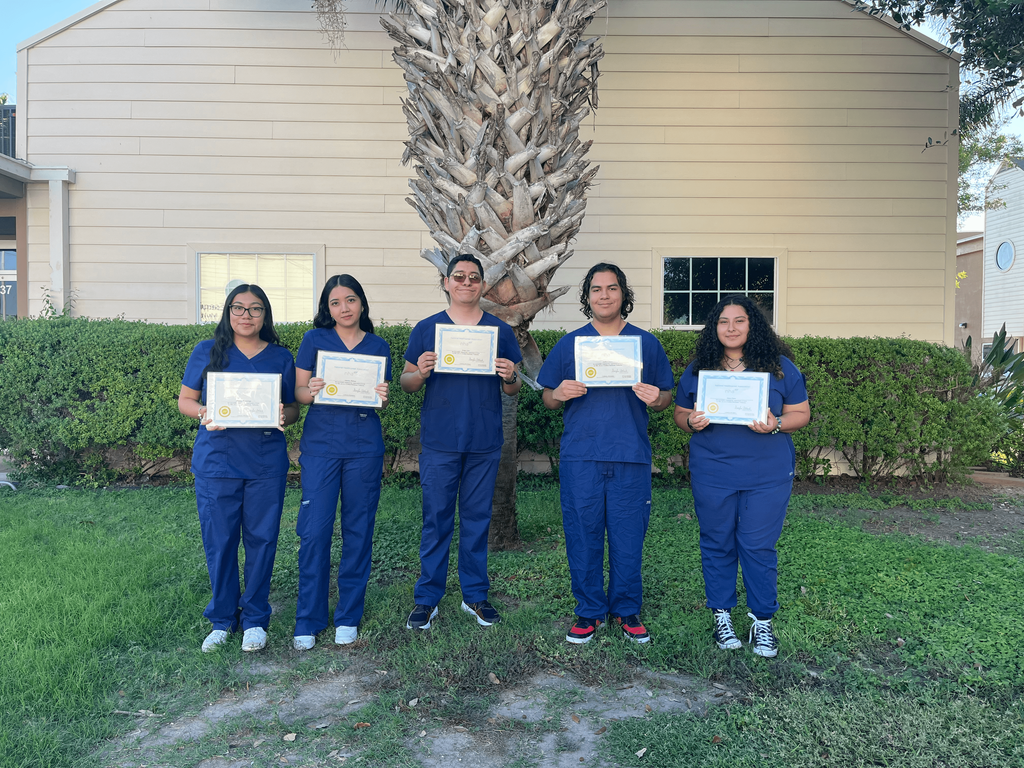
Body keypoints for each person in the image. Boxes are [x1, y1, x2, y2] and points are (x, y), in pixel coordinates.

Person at [537, 263, 674, 645]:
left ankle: (626, 609)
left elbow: (665, 397)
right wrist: (558, 393)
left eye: (612, 288)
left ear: (623, 295)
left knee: (629, 535)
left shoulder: (645, 344)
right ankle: (588, 611)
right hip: (583, 454)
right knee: (583, 533)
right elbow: (547, 396)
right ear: (588, 297)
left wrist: (656, 398)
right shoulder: (571, 345)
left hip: (629, 454)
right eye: (596, 289)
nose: (604, 295)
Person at [674, 294, 810, 658]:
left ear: (753, 325)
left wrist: (776, 423)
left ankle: (762, 621)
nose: (731, 328)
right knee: (717, 542)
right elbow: (681, 412)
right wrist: (690, 421)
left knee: (757, 546)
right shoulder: (700, 367)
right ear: (714, 328)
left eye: (739, 321)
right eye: (723, 321)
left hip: (767, 474)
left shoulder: (779, 367)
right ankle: (722, 615)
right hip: (713, 472)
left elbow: (801, 413)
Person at [401, 254, 523, 630]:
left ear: (482, 285)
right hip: (440, 440)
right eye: (459, 277)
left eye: (473, 278)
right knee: (436, 520)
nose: (466, 283)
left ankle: (475, 596)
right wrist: (419, 372)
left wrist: (510, 374)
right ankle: (427, 598)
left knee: (476, 520)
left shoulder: (499, 331)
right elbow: (406, 382)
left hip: (484, 440)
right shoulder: (427, 329)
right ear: (446, 282)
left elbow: (515, 388)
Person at [178, 284, 299, 653]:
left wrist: (284, 414)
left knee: (262, 540)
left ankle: (256, 618)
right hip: (217, 462)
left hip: (265, 463)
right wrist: (204, 413)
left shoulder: (280, 357)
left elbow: (293, 409)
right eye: (238, 308)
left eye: (255, 309)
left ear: (266, 315)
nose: (246, 316)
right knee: (221, 541)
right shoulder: (207, 351)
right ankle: (222, 618)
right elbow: (186, 400)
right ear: (228, 312)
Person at [292, 275, 392, 651]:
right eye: (336, 302)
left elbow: (379, 401)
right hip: (321, 448)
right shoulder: (314, 341)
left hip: (364, 448)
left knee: (358, 531)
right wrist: (311, 391)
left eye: (350, 300)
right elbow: (300, 393)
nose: (344, 308)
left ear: (362, 304)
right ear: (327, 308)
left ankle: (348, 615)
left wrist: (382, 396)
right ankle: (309, 618)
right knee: (314, 532)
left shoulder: (378, 345)